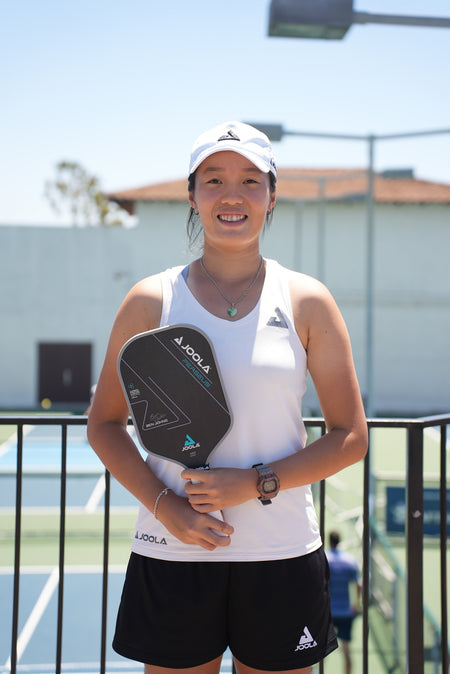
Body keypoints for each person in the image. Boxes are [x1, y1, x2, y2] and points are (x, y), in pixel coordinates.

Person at [87, 120, 368, 674]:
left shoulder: (308, 300)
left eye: (250, 180)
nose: (232, 194)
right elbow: (104, 424)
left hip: (282, 551)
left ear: (270, 195)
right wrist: (167, 509)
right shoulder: (151, 300)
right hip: (174, 550)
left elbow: (350, 436)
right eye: (213, 180)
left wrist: (255, 482)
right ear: (192, 195)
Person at [326, 531, 362, 674]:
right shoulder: (349, 560)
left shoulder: (325, 559)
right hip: (346, 612)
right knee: (346, 650)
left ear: (329, 541)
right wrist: (356, 604)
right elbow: (359, 585)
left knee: (323, 650)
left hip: (329, 613)